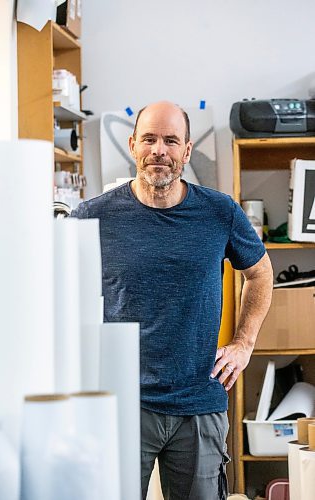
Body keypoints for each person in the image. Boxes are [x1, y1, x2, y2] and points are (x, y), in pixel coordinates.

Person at [71, 101, 273, 500]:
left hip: (199, 400)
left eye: (170, 140)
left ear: (186, 149)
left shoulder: (220, 212)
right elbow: (58, 293)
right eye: (149, 139)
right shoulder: (90, 217)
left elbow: (261, 273)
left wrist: (244, 343)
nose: (158, 150)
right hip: (121, 404)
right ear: (132, 145)